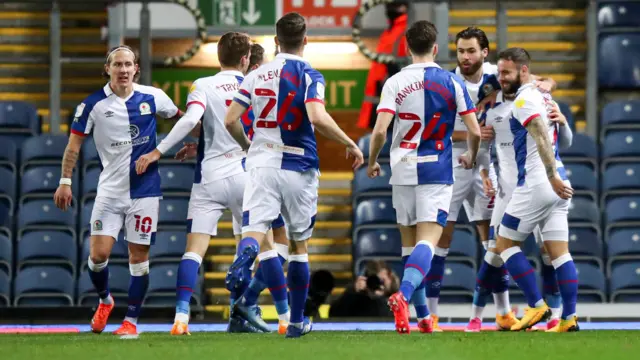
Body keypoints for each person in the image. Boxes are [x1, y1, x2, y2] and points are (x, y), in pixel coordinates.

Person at [223, 12, 364, 338]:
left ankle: (244, 260)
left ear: (275, 41)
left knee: (255, 231)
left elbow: (232, 119)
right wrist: (349, 142)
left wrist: (252, 147)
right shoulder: (309, 74)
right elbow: (316, 115)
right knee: (300, 246)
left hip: (261, 165)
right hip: (298, 166)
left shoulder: (255, 75)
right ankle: (297, 323)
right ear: (305, 41)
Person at [424, 27, 557, 332]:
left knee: (492, 241)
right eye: (460, 51)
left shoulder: (499, 74)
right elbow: (432, 130)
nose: (465, 57)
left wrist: (547, 83)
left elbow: (544, 82)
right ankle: (430, 315)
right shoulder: (447, 81)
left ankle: (503, 312)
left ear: (484, 53)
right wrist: (469, 133)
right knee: (441, 238)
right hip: (456, 162)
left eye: (471, 51)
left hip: (489, 164)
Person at [53, 45, 181, 336]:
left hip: (145, 192)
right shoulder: (92, 105)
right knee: (98, 257)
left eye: (128, 64)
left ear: (136, 68)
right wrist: (65, 181)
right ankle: (105, 300)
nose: (123, 70)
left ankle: (130, 323)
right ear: (107, 69)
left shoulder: (153, 97)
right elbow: (73, 145)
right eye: (117, 65)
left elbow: (182, 120)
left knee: (139, 258)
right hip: (110, 193)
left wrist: (195, 141)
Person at [367, 20, 481, 334]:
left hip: (402, 169)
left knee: (409, 247)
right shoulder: (451, 82)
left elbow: (379, 130)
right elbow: (473, 129)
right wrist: (471, 154)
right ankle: (403, 296)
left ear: (406, 47)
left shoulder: (394, 82)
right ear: (435, 48)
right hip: (436, 170)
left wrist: (374, 160)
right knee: (428, 244)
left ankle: (423, 320)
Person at [493, 47, 577, 332]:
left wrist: (550, 175)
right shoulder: (543, 95)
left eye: (506, 72)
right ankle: (568, 318)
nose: (501, 77)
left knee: (504, 243)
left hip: (539, 181)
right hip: (558, 182)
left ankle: (536, 305)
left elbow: (540, 132)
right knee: (559, 253)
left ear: (524, 71)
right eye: (499, 72)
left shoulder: (524, 100)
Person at [473, 90, 571, 332]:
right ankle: (486, 314)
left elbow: (564, 141)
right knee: (497, 252)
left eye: (508, 72)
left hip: (534, 185)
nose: (504, 78)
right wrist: (485, 174)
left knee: (532, 250)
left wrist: (565, 122)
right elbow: (483, 149)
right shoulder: (492, 111)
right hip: (512, 190)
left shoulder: (532, 100)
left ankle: (548, 312)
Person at [357, 0, 409, 130]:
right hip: (380, 95)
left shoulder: (405, 31)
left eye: (394, 6)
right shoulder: (389, 32)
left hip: (392, 99)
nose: (390, 10)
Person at [329, 260, 399, 318]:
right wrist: (352, 291)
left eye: (382, 282)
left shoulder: (391, 306)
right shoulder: (354, 298)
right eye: (375, 280)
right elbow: (333, 314)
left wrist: (378, 298)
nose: (377, 284)